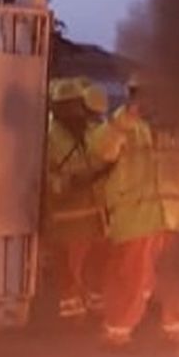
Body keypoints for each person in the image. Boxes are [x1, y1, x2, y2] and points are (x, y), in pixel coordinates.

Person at [92, 76, 179, 347]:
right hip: (138, 218)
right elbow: (101, 149)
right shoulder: (123, 127)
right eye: (142, 95)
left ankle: (176, 327)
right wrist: (125, 119)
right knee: (131, 277)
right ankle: (117, 330)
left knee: (178, 276)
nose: (150, 102)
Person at [43, 77, 111, 321]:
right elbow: (44, 177)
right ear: (58, 108)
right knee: (68, 265)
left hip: (95, 213)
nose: (74, 111)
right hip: (66, 215)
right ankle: (71, 306)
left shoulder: (90, 132)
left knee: (97, 261)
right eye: (68, 105)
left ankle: (93, 300)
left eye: (76, 105)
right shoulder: (49, 137)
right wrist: (70, 182)